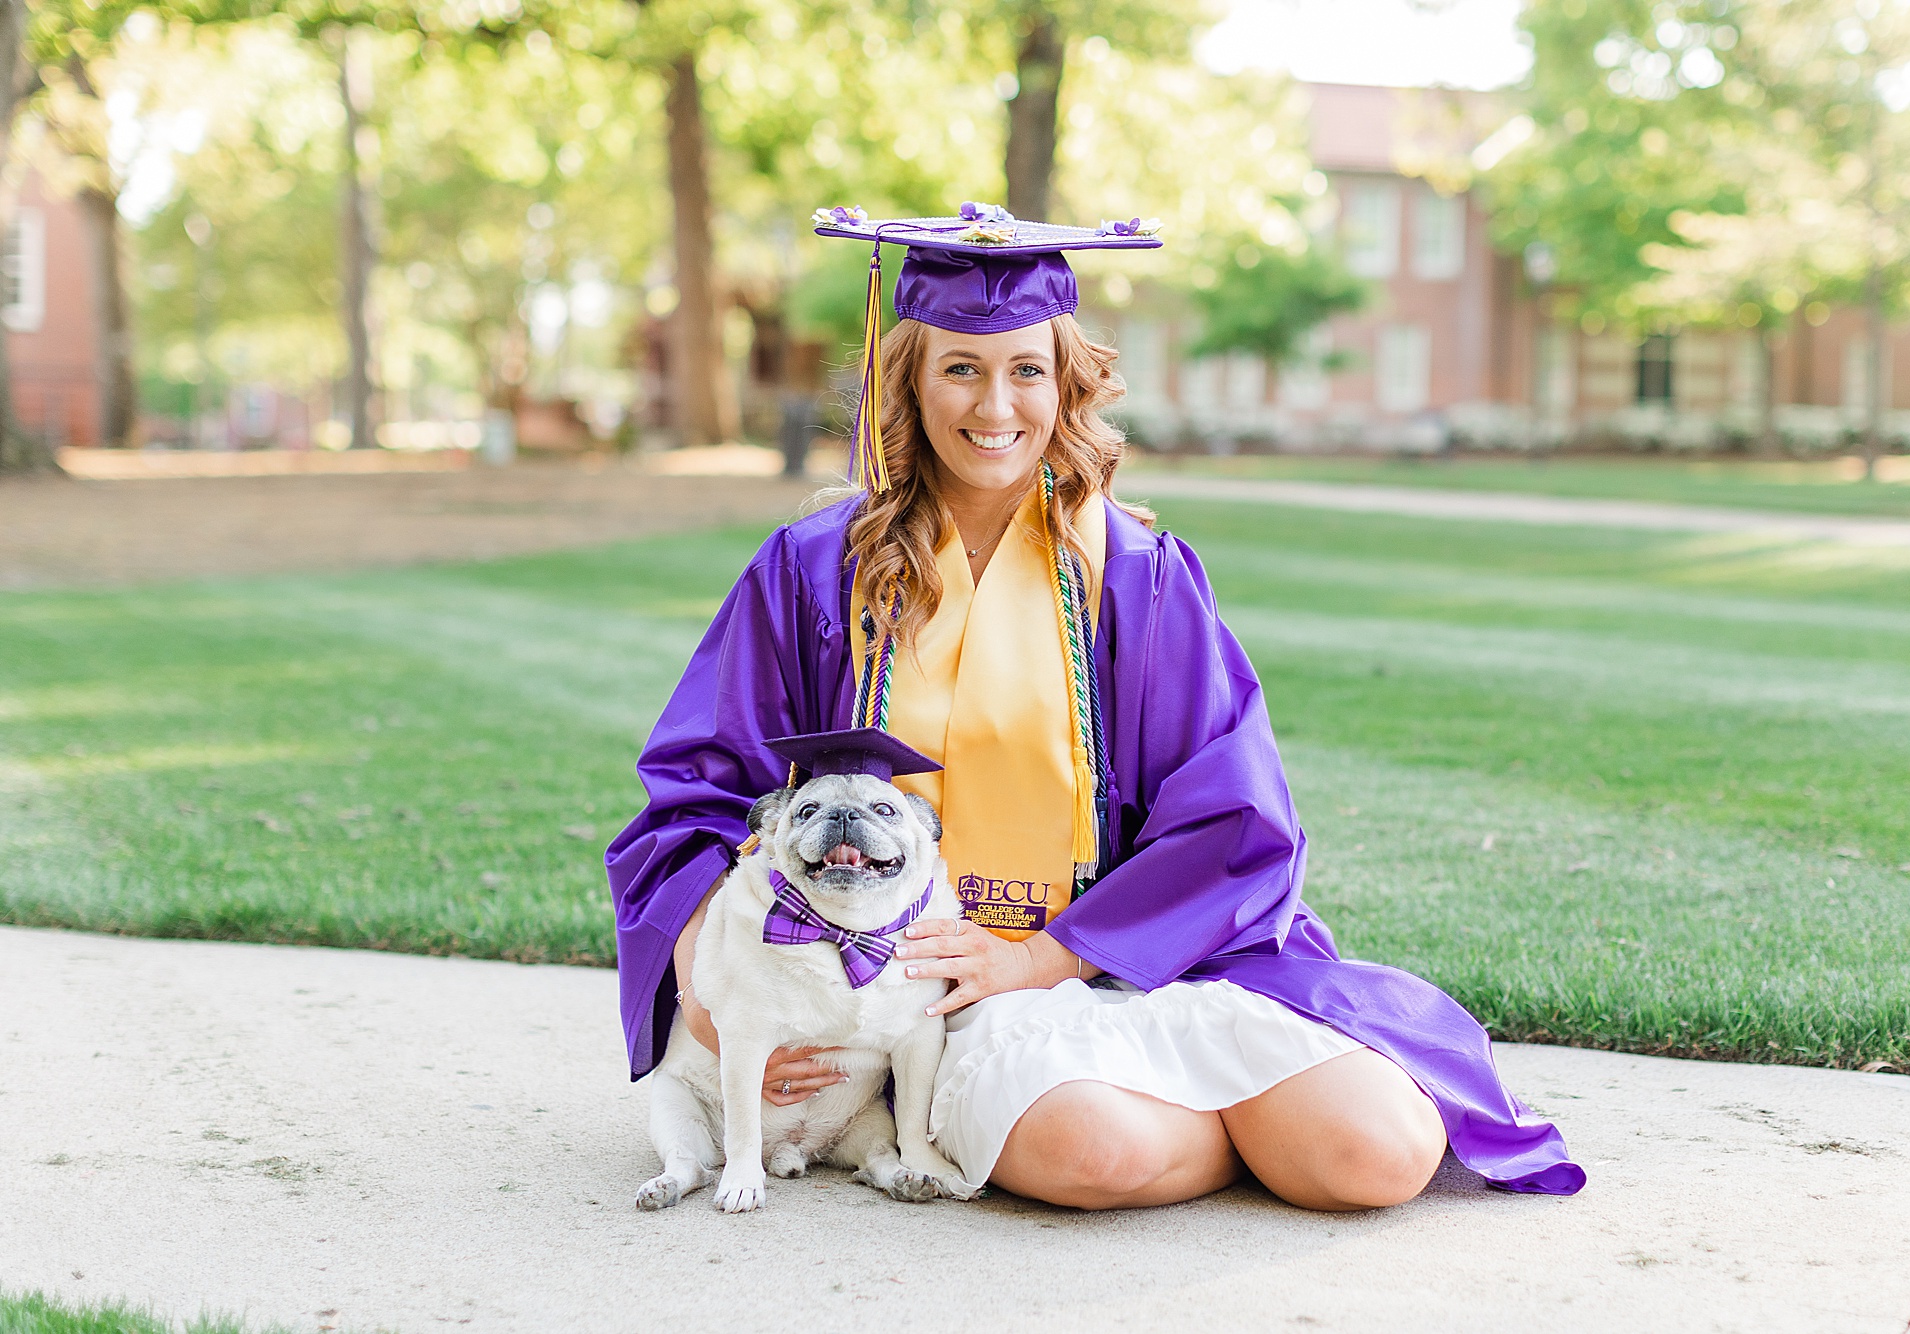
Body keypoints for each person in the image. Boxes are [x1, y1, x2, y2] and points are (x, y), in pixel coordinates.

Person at [606, 203, 1584, 1210]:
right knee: (1093, 1151)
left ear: (1066, 381)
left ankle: (1196, 1103)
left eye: (1026, 368)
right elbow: (692, 795)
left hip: (1135, 952)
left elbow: (1234, 816)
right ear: (907, 378)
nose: (996, 403)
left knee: (1375, 1154)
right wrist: (716, 1000)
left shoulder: (1138, 577)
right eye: (960, 367)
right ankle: (1186, 1117)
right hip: (923, 990)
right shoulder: (815, 573)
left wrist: (1047, 953)